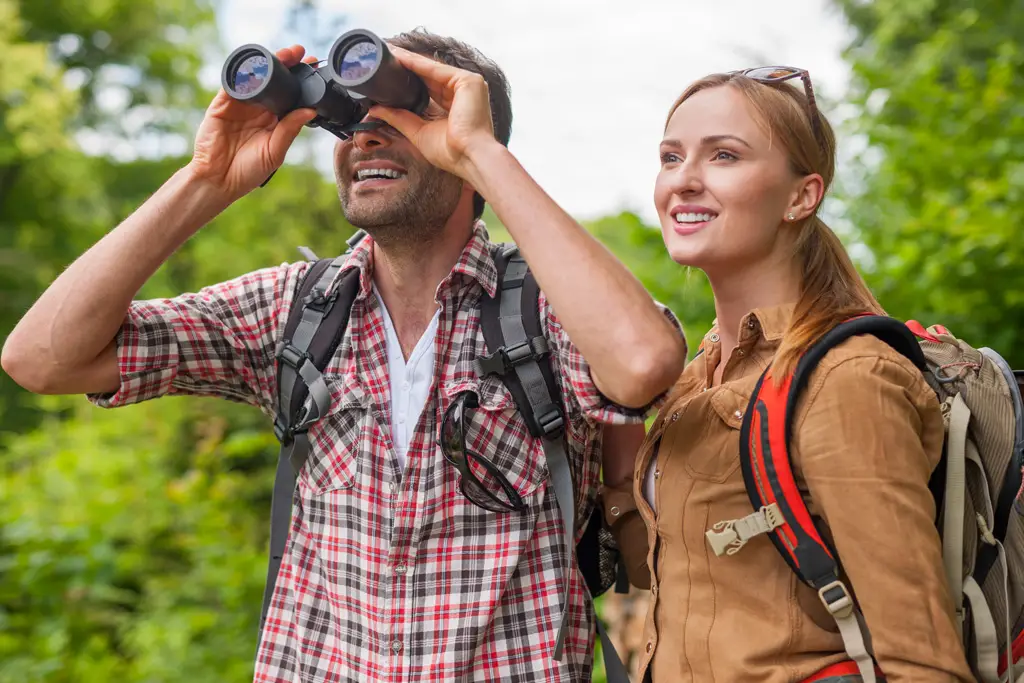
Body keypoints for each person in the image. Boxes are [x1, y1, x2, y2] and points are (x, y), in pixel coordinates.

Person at [1, 29, 686, 683]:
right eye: (352, 121)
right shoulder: (296, 309)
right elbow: (42, 358)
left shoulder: (542, 308)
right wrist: (206, 179)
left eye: (401, 117)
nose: (364, 137)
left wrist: (481, 154)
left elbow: (643, 362)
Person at [601, 67, 976, 682]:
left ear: (803, 196)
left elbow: (924, 663)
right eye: (671, 157)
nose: (684, 181)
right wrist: (618, 438)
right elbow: (677, 572)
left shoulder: (845, 377)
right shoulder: (698, 376)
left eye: (724, 156)